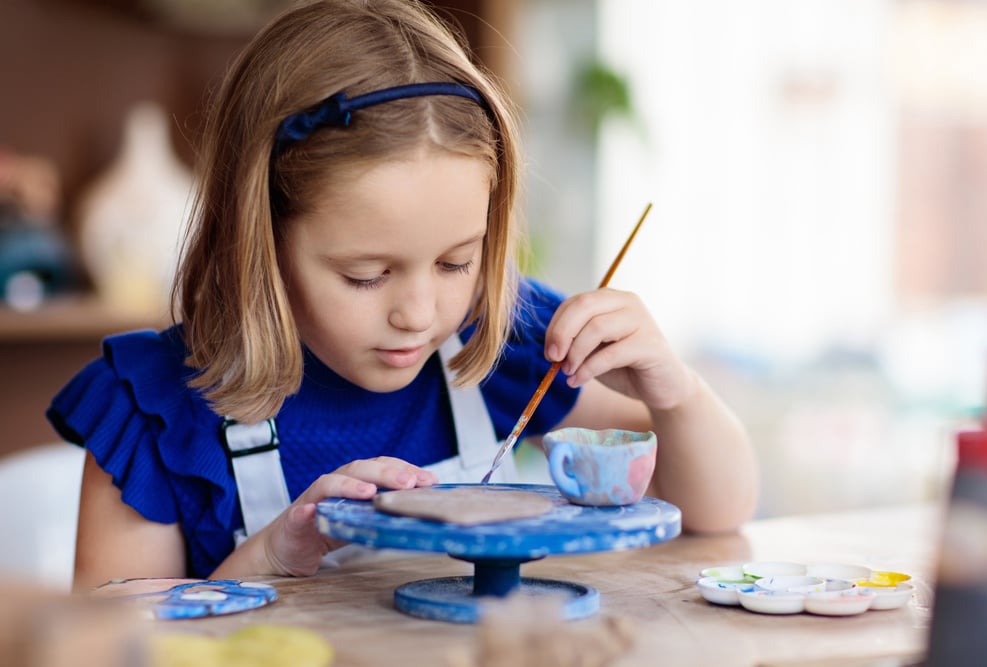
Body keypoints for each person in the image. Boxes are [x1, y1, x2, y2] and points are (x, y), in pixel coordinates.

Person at [48, 0, 758, 592]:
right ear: (258, 238)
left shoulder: (504, 337)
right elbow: (111, 646)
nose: (419, 314)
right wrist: (270, 557)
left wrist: (677, 394)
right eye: (367, 274)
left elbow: (720, 510)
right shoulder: (152, 409)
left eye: (456, 261)